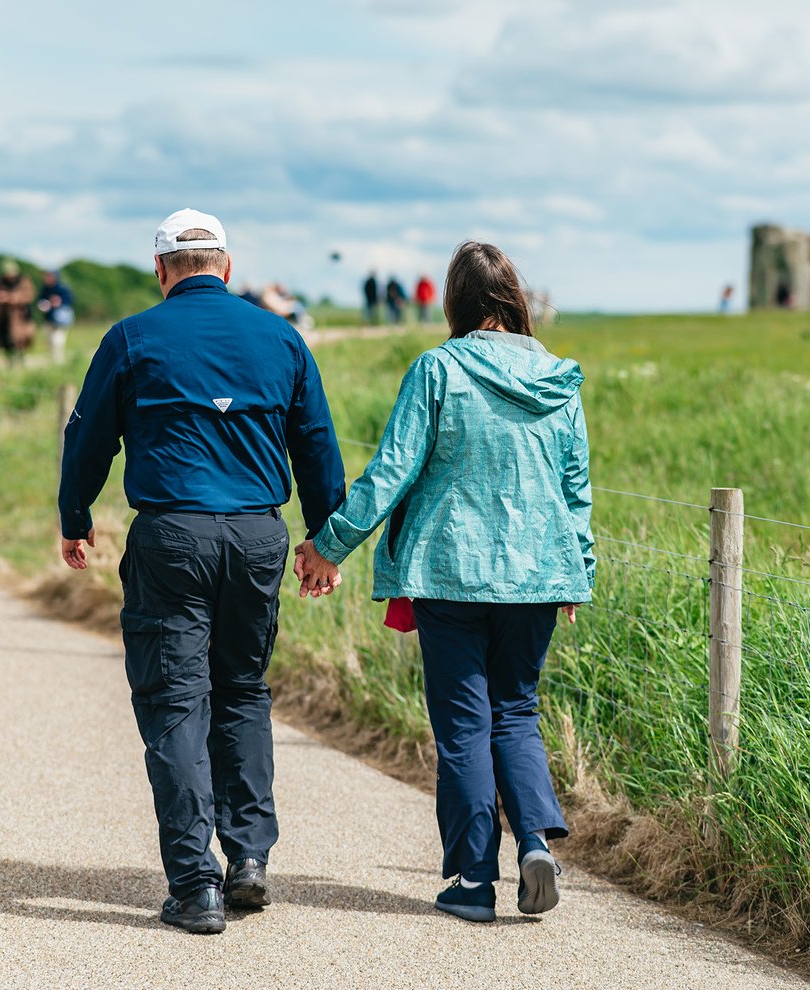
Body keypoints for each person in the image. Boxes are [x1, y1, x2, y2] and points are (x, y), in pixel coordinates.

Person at [57, 209, 346, 936]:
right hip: (257, 537)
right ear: (226, 265)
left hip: (173, 536)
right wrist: (326, 540)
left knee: (176, 700)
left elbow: (88, 434)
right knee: (242, 691)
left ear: (161, 271)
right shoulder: (281, 336)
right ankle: (248, 859)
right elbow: (316, 443)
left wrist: (75, 515)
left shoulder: (131, 337)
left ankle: (195, 887)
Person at [294, 240, 594, 924]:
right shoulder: (558, 379)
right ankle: (537, 845)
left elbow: (392, 471)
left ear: (455, 302)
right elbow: (575, 489)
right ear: (514, 300)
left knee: (464, 724)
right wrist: (578, 570)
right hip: (539, 576)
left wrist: (328, 545)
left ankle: (472, 882)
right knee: (515, 711)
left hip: (448, 573)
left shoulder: (437, 369)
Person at [0, 259, 36, 366]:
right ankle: (10, 362)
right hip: (3, 317)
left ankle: (21, 360)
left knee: (20, 341)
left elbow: (29, 295)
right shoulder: (0, 281)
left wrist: (13, 298)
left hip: (20, 317)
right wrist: (0, 297)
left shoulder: (24, 281)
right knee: (5, 341)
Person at [36, 269, 76, 364]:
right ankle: (52, 360)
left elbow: (70, 300)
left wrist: (59, 301)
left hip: (61, 320)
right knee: (49, 341)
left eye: (49, 276)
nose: (47, 278)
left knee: (57, 341)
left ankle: (58, 362)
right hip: (48, 319)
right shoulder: (45, 289)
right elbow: (40, 300)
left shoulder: (62, 288)